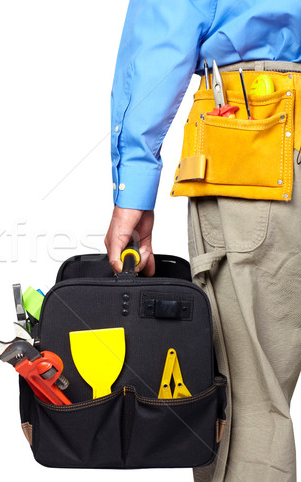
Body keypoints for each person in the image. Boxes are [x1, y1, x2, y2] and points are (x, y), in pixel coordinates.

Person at [104, 1, 301, 481]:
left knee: (248, 406)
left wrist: (134, 183)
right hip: (261, 147)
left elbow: (163, 36)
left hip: (256, 150)